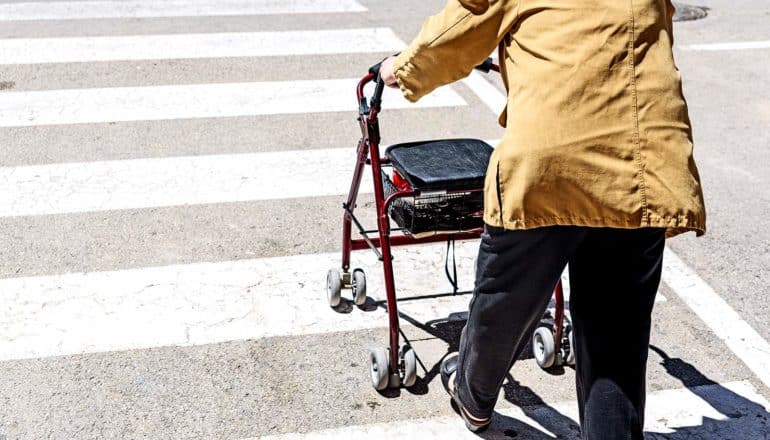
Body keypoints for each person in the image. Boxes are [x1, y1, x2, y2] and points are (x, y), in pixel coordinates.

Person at [379, 0, 706, 438]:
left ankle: (472, 396)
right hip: (643, 164)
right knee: (616, 343)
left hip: (549, 166)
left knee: (503, 302)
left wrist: (401, 68)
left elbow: (463, 25)